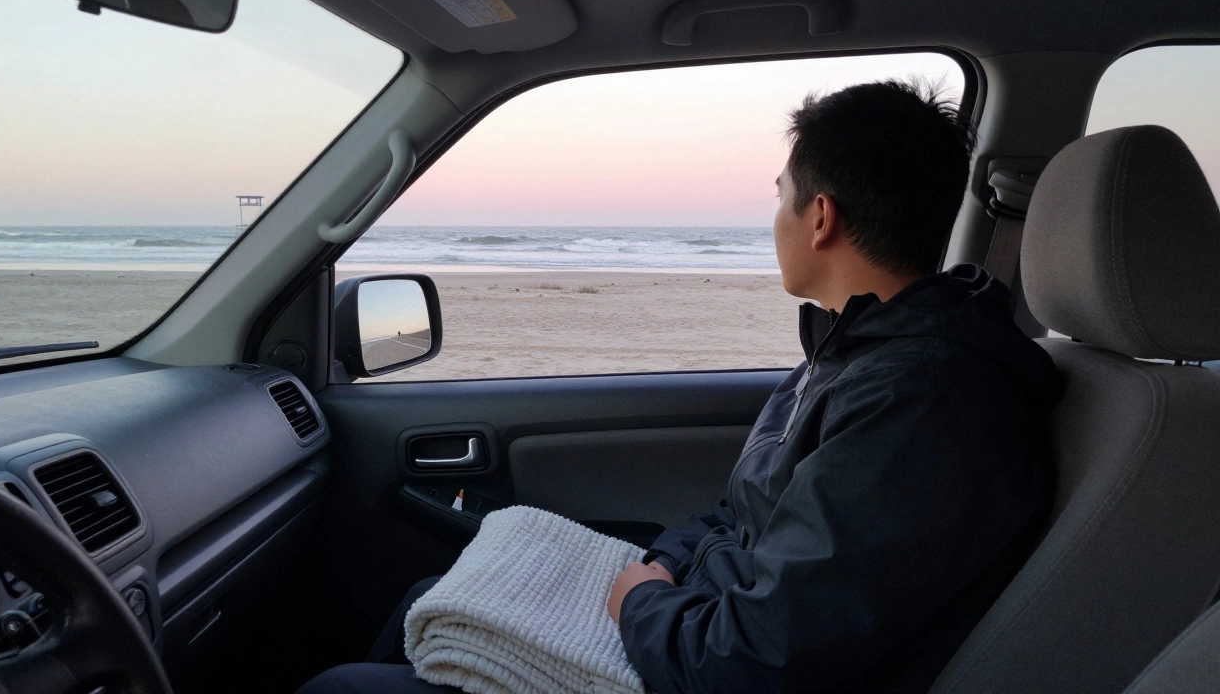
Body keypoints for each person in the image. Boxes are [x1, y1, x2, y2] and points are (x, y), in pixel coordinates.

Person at [298, 79, 1059, 694]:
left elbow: (757, 659)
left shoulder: (921, 398)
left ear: (820, 216)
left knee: (341, 685)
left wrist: (639, 599)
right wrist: (664, 564)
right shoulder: (861, 348)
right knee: (430, 596)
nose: (775, 217)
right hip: (704, 614)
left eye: (779, 194)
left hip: (714, 659)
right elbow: (746, 516)